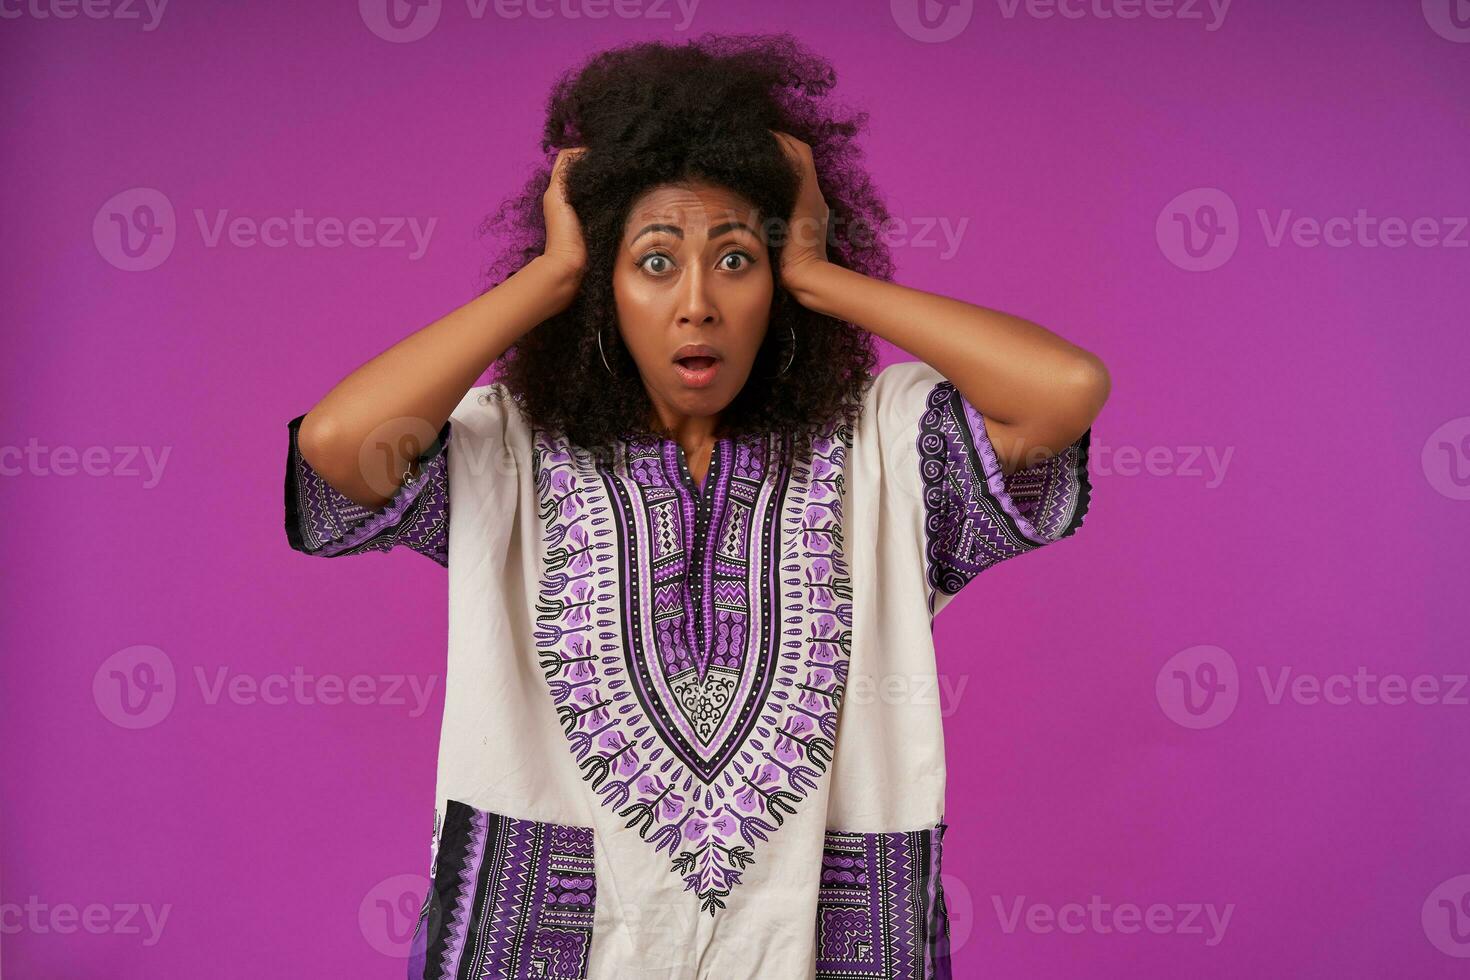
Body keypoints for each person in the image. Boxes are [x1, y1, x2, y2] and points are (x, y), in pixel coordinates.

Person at [283, 33, 1106, 980]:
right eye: (656, 261)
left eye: (737, 260)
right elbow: (339, 449)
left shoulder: (879, 447)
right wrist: (549, 279)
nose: (698, 304)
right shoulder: (505, 450)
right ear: (607, 288)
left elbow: (1066, 389)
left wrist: (820, 274)